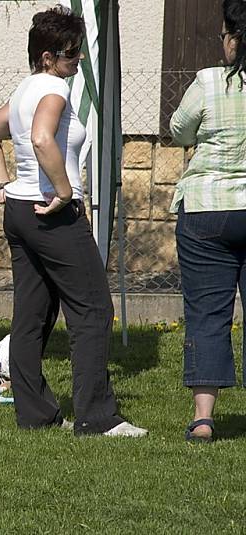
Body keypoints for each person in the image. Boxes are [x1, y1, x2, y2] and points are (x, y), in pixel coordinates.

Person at [0, 5, 146, 436]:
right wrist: (66, 191)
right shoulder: (53, 90)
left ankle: (34, 414)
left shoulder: (23, 90)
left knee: (32, 314)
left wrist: (3, 186)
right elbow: (40, 138)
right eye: (72, 54)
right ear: (48, 57)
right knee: (92, 309)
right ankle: (97, 417)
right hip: (52, 214)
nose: (79, 61)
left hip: (20, 211)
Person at [170, 0, 246, 443]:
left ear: (234, 38)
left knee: (207, 313)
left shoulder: (209, 82)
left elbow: (180, 130)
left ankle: (203, 419)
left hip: (207, 208)